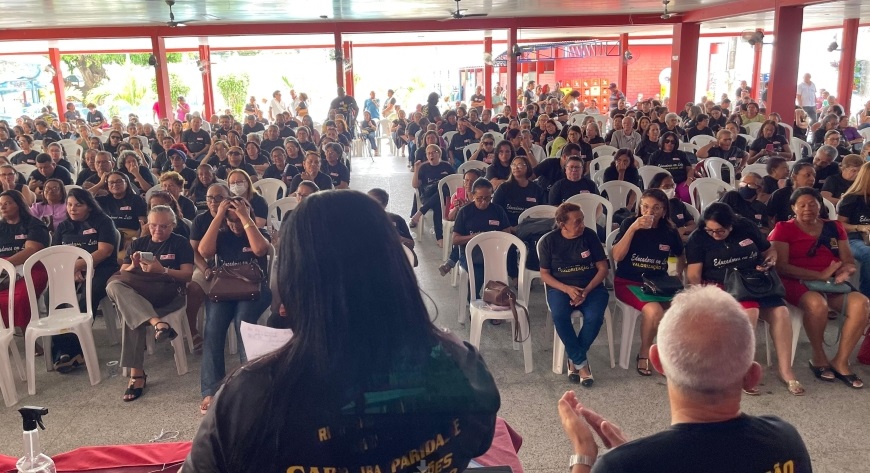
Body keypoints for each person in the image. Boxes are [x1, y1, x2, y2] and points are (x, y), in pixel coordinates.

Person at [186, 190, 499, 470]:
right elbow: (478, 442)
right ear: (397, 270)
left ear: (292, 284)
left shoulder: (250, 394)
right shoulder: (458, 361)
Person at [557, 285, 812, 472]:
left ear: (657, 362)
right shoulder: (785, 440)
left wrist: (584, 455)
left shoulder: (623, 467)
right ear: (752, 376)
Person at [686, 203, 803, 395]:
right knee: (750, 311)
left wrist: (770, 260)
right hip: (723, 286)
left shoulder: (746, 227)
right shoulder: (698, 238)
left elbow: (768, 250)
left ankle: (786, 370)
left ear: (731, 225)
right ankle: (742, 369)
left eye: (720, 230)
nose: (715, 235)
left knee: (781, 312)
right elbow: (693, 275)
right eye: (710, 230)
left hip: (754, 281)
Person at [770, 187, 868, 389]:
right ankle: (818, 356)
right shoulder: (783, 228)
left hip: (832, 280)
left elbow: (848, 260)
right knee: (817, 304)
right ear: (793, 208)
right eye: (802, 205)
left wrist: (845, 271)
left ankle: (841, 361)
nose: (808, 209)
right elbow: (782, 267)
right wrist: (818, 275)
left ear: (820, 206)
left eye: (813, 204)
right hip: (795, 280)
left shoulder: (834, 227)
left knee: (862, 304)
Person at [107, 205, 193, 402]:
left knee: (130, 309)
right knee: (115, 287)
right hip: (141, 293)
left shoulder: (180, 243)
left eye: (163, 226)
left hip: (167, 292)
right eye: (153, 225)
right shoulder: (139, 244)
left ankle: (136, 376)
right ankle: (157, 323)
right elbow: (125, 275)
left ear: (173, 225)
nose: (157, 230)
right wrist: (134, 266)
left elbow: (187, 275)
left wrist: (162, 270)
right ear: (147, 224)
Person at [197, 196, 272, 414]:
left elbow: (260, 250)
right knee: (213, 328)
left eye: (237, 219)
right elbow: (204, 252)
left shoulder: (258, 232)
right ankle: (211, 390)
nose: (234, 225)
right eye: (231, 221)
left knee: (243, 322)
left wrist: (245, 217)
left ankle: (250, 387)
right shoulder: (221, 234)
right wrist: (220, 215)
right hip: (225, 290)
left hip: (256, 289)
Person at [611, 189, 685, 376]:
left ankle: (670, 352)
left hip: (658, 282)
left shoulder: (669, 230)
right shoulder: (629, 223)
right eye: (645, 206)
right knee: (654, 310)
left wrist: (679, 274)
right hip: (629, 281)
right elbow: (617, 256)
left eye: (656, 208)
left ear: (664, 210)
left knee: (684, 307)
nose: (649, 212)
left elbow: (681, 254)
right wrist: (633, 228)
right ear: (639, 207)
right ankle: (645, 352)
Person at [539, 203, 608, 385]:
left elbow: (603, 268)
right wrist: (567, 289)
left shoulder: (590, 236)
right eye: (577, 222)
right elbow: (544, 274)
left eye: (582, 220)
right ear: (563, 224)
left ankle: (574, 359)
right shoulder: (549, 241)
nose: (582, 225)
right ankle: (581, 363)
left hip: (591, 287)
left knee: (594, 316)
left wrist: (586, 290)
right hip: (561, 288)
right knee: (560, 315)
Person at [50, 188, 119, 372]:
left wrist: (79, 266)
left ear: (89, 206)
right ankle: (62, 350)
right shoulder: (63, 226)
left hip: (102, 268)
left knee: (87, 295)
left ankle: (75, 348)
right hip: (70, 270)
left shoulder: (103, 222)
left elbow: (105, 251)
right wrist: (70, 269)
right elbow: (54, 254)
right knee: (55, 297)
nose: (72, 209)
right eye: (70, 205)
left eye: (78, 205)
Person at [452, 178, 511, 299]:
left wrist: (495, 236)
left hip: (493, 254)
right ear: (473, 195)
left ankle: (496, 302)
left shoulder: (498, 210)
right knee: (478, 275)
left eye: (487, 198)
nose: (484, 202)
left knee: (499, 277)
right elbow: (455, 239)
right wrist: (474, 237)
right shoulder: (465, 212)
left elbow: (507, 232)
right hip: (472, 255)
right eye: (479, 198)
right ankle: (474, 301)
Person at [0, 190, 50, 332]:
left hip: (31, 267)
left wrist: (6, 264)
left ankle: (29, 335)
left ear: (19, 205)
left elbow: (32, 250)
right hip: (3, 269)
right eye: (0, 204)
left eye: (7, 203)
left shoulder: (34, 224)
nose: (3, 207)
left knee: (20, 298)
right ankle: (4, 336)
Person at [836, 161, 870, 299]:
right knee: (869, 254)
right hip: (853, 238)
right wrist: (859, 227)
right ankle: (866, 297)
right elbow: (839, 225)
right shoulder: (852, 199)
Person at [410, 144, 454, 247]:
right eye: (429, 153)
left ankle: (421, 212)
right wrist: (416, 169)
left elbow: (454, 181)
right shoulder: (424, 168)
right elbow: (415, 185)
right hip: (428, 195)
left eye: (434, 152)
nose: (431, 155)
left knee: (441, 192)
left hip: (444, 196)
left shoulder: (446, 166)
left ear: (439, 154)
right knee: (439, 192)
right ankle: (439, 237)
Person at [493, 155, 546, 231]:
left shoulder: (537, 189)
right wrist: (507, 227)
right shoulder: (504, 188)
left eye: (519, 164)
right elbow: (496, 209)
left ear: (527, 167)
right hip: (508, 228)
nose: (516, 167)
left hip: (530, 227)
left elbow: (542, 211)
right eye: (513, 165)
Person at [96, 171, 147, 249]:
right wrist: (100, 184)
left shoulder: (136, 200)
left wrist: (135, 239)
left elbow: (143, 224)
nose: (115, 185)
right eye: (111, 182)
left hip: (130, 237)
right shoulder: (104, 200)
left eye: (119, 181)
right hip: (108, 237)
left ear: (126, 182)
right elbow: (82, 199)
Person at [647, 172, 696, 242]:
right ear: (656, 188)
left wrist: (683, 229)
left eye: (672, 186)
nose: (670, 189)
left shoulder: (677, 203)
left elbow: (693, 225)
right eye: (666, 187)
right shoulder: (652, 207)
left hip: (682, 240)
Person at [647, 131, 693, 202]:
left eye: (672, 142)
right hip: (663, 184)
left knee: (687, 193)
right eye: (667, 141)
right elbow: (650, 171)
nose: (669, 143)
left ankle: (684, 211)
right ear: (662, 141)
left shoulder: (681, 154)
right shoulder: (655, 155)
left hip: (681, 182)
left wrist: (689, 178)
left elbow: (689, 168)